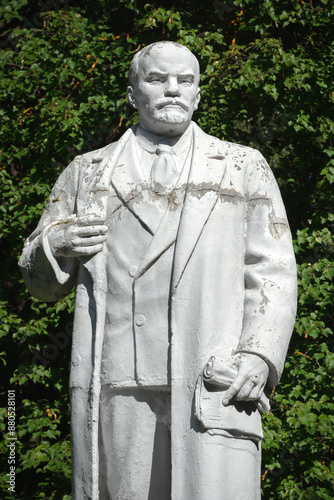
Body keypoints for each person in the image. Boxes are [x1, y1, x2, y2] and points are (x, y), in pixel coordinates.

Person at [19, 41, 297, 499]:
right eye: (156, 79)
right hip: (119, 382)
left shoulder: (243, 165)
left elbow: (273, 269)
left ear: (198, 94)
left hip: (211, 374)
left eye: (184, 81)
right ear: (132, 94)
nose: (172, 90)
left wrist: (259, 355)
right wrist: (57, 243)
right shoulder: (88, 172)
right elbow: (37, 281)